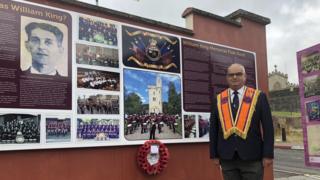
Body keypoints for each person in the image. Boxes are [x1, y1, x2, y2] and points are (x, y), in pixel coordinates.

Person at [209, 63, 274, 180]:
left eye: (238, 74)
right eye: (231, 75)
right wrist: (214, 155)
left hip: (252, 157)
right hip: (227, 158)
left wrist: (268, 154)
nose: (234, 77)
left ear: (245, 77)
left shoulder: (259, 97)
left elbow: (268, 127)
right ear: (227, 78)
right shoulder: (218, 99)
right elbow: (213, 129)